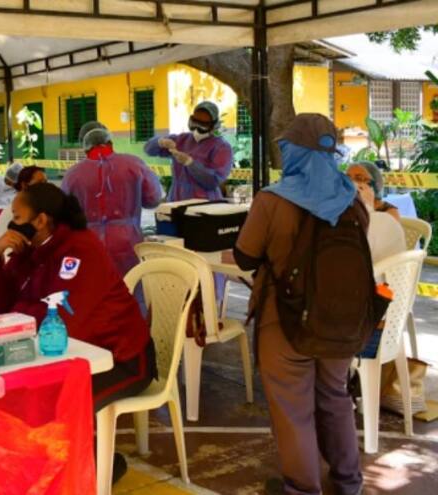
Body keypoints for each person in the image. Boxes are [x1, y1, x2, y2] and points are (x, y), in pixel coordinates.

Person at [0, 183, 154, 483]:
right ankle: (48, 467)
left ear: (41, 220)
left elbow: (62, 318)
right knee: (18, 395)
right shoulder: (31, 250)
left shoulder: (80, 250)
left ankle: (99, 468)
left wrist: (18, 312)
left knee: (58, 403)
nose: (12, 223)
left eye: (17, 216)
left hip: (122, 358)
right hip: (71, 354)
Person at [233, 114, 363, 495]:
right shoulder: (352, 198)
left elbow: (245, 257)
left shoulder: (273, 199)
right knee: (335, 398)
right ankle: (348, 482)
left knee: (294, 410)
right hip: (341, 321)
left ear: (294, 153)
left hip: (285, 321)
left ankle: (304, 490)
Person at [63, 125, 163, 276]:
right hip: (127, 241)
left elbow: (65, 214)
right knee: (131, 286)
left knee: (95, 287)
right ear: (110, 143)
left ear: (84, 148)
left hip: (89, 242)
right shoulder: (134, 164)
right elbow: (153, 199)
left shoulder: (72, 174)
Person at [145, 101, 232, 201]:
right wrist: (160, 142)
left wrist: (190, 163)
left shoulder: (221, 147)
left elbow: (213, 181)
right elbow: (148, 150)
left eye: (203, 124)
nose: (198, 126)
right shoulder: (181, 140)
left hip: (204, 205)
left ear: (214, 125)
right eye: (195, 121)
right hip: (176, 201)